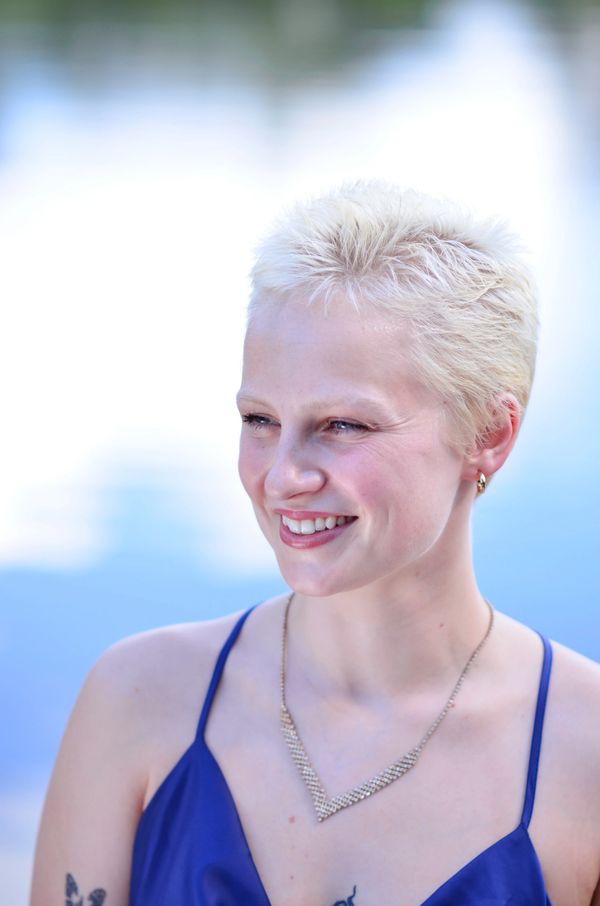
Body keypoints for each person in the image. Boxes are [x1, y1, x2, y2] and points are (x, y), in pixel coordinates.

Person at [31, 181, 600, 906]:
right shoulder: (138, 699)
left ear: (488, 434)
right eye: (260, 419)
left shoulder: (586, 754)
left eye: (344, 425)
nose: (283, 476)